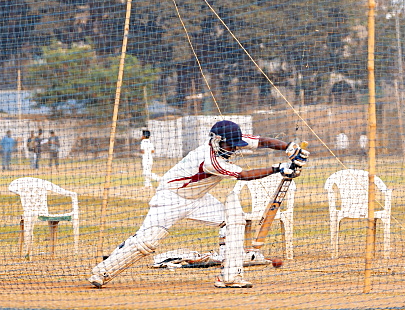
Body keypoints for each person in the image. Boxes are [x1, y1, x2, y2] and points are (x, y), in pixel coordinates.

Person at [89, 120, 308, 290]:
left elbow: (262, 141)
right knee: (147, 242)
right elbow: (244, 175)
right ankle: (102, 272)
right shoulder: (209, 160)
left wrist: (289, 147)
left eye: (235, 145)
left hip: (199, 199)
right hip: (171, 199)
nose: (232, 149)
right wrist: (279, 167)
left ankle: (230, 275)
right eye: (229, 145)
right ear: (215, 140)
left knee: (233, 219)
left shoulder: (231, 138)